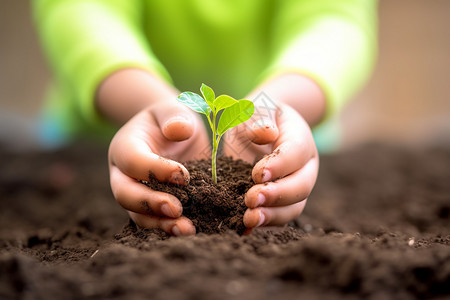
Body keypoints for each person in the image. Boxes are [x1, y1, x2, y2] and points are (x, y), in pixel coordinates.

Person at [32, 0, 378, 236]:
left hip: (281, 139)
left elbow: (334, 20)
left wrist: (277, 103)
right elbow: (80, 11)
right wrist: (147, 101)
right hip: (95, 142)